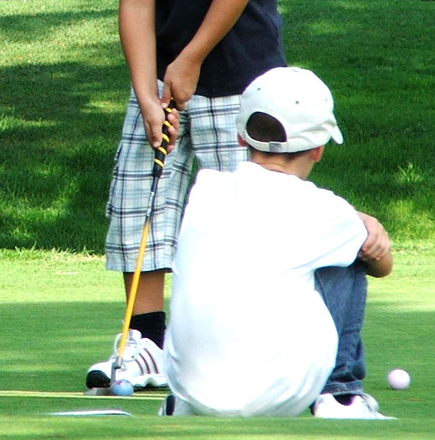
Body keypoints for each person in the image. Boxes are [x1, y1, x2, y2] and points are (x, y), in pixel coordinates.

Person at [85, 0, 287, 391]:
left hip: (241, 73)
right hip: (163, 76)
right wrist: (146, 90)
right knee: (137, 205)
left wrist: (192, 56)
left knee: (245, 218)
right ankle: (145, 343)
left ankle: (251, 343)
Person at [160, 66, 394, 419]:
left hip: (188, 391)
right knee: (350, 258)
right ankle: (339, 395)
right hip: (276, 392)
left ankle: (180, 403)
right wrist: (365, 223)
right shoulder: (325, 210)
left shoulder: (205, 190)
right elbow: (382, 266)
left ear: (242, 138)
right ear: (318, 149)